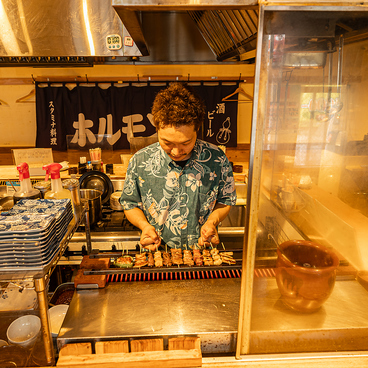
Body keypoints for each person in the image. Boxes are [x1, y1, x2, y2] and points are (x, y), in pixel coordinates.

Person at [120, 82, 236, 250]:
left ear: (197, 130)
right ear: (157, 129)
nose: (175, 151)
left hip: (203, 255)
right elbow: (129, 204)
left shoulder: (217, 159)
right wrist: (144, 226)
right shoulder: (140, 161)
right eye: (167, 142)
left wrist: (212, 221)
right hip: (158, 253)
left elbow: (226, 200)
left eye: (185, 143)